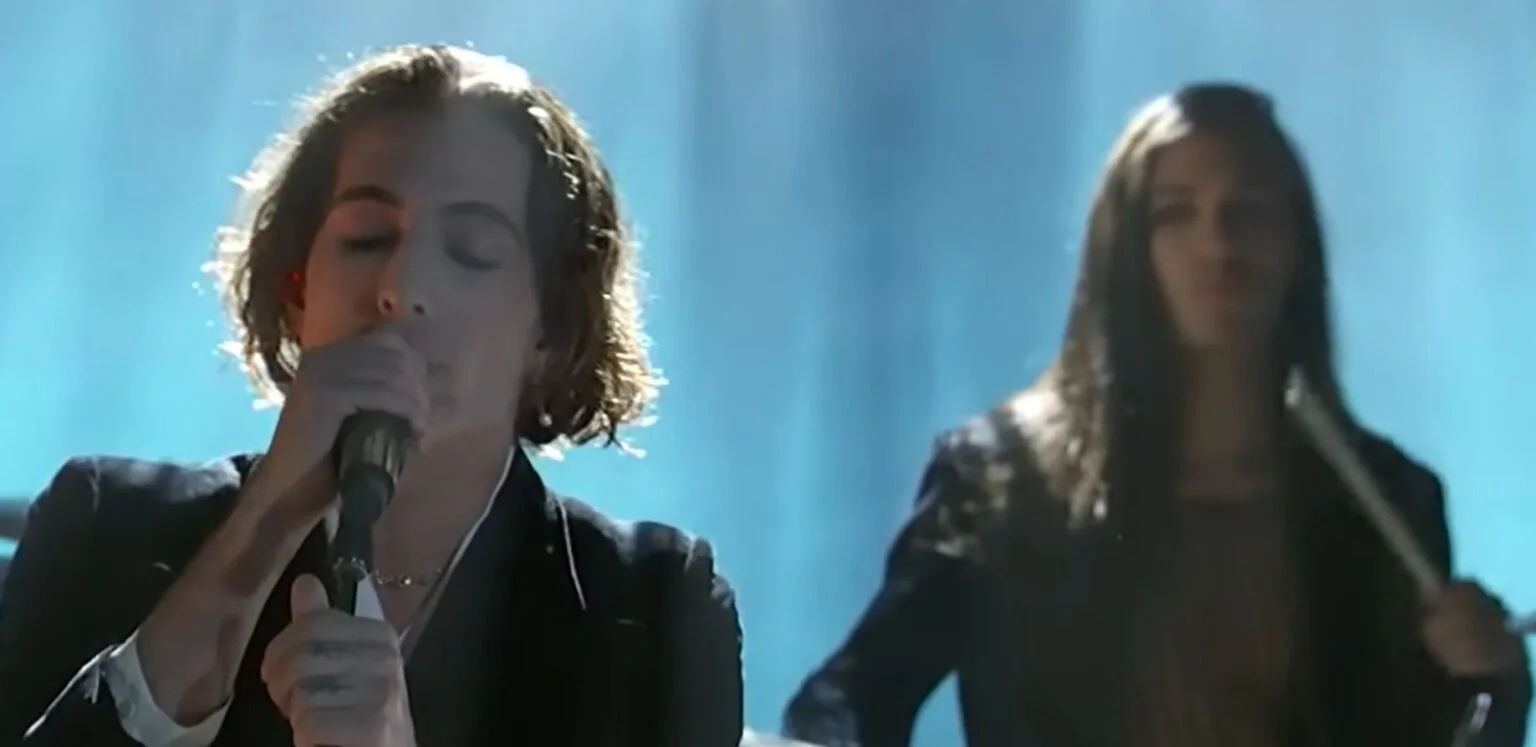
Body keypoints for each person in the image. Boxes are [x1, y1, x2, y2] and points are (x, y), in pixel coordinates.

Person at [0, 44, 743, 747]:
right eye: (365, 237)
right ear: (297, 287)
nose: (401, 288)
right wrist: (256, 536)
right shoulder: (107, 526)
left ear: (553, 323)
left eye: (472, 253)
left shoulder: (652, 611)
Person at [782, 83, 1531, 747]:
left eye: (1248, 211)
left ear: (1296, 246)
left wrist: (1495, 683)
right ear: (1123, 251)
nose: (1218, 243)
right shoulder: (1001, 480)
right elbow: (844, 701)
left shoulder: (1388, 503)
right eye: (1175, 214)